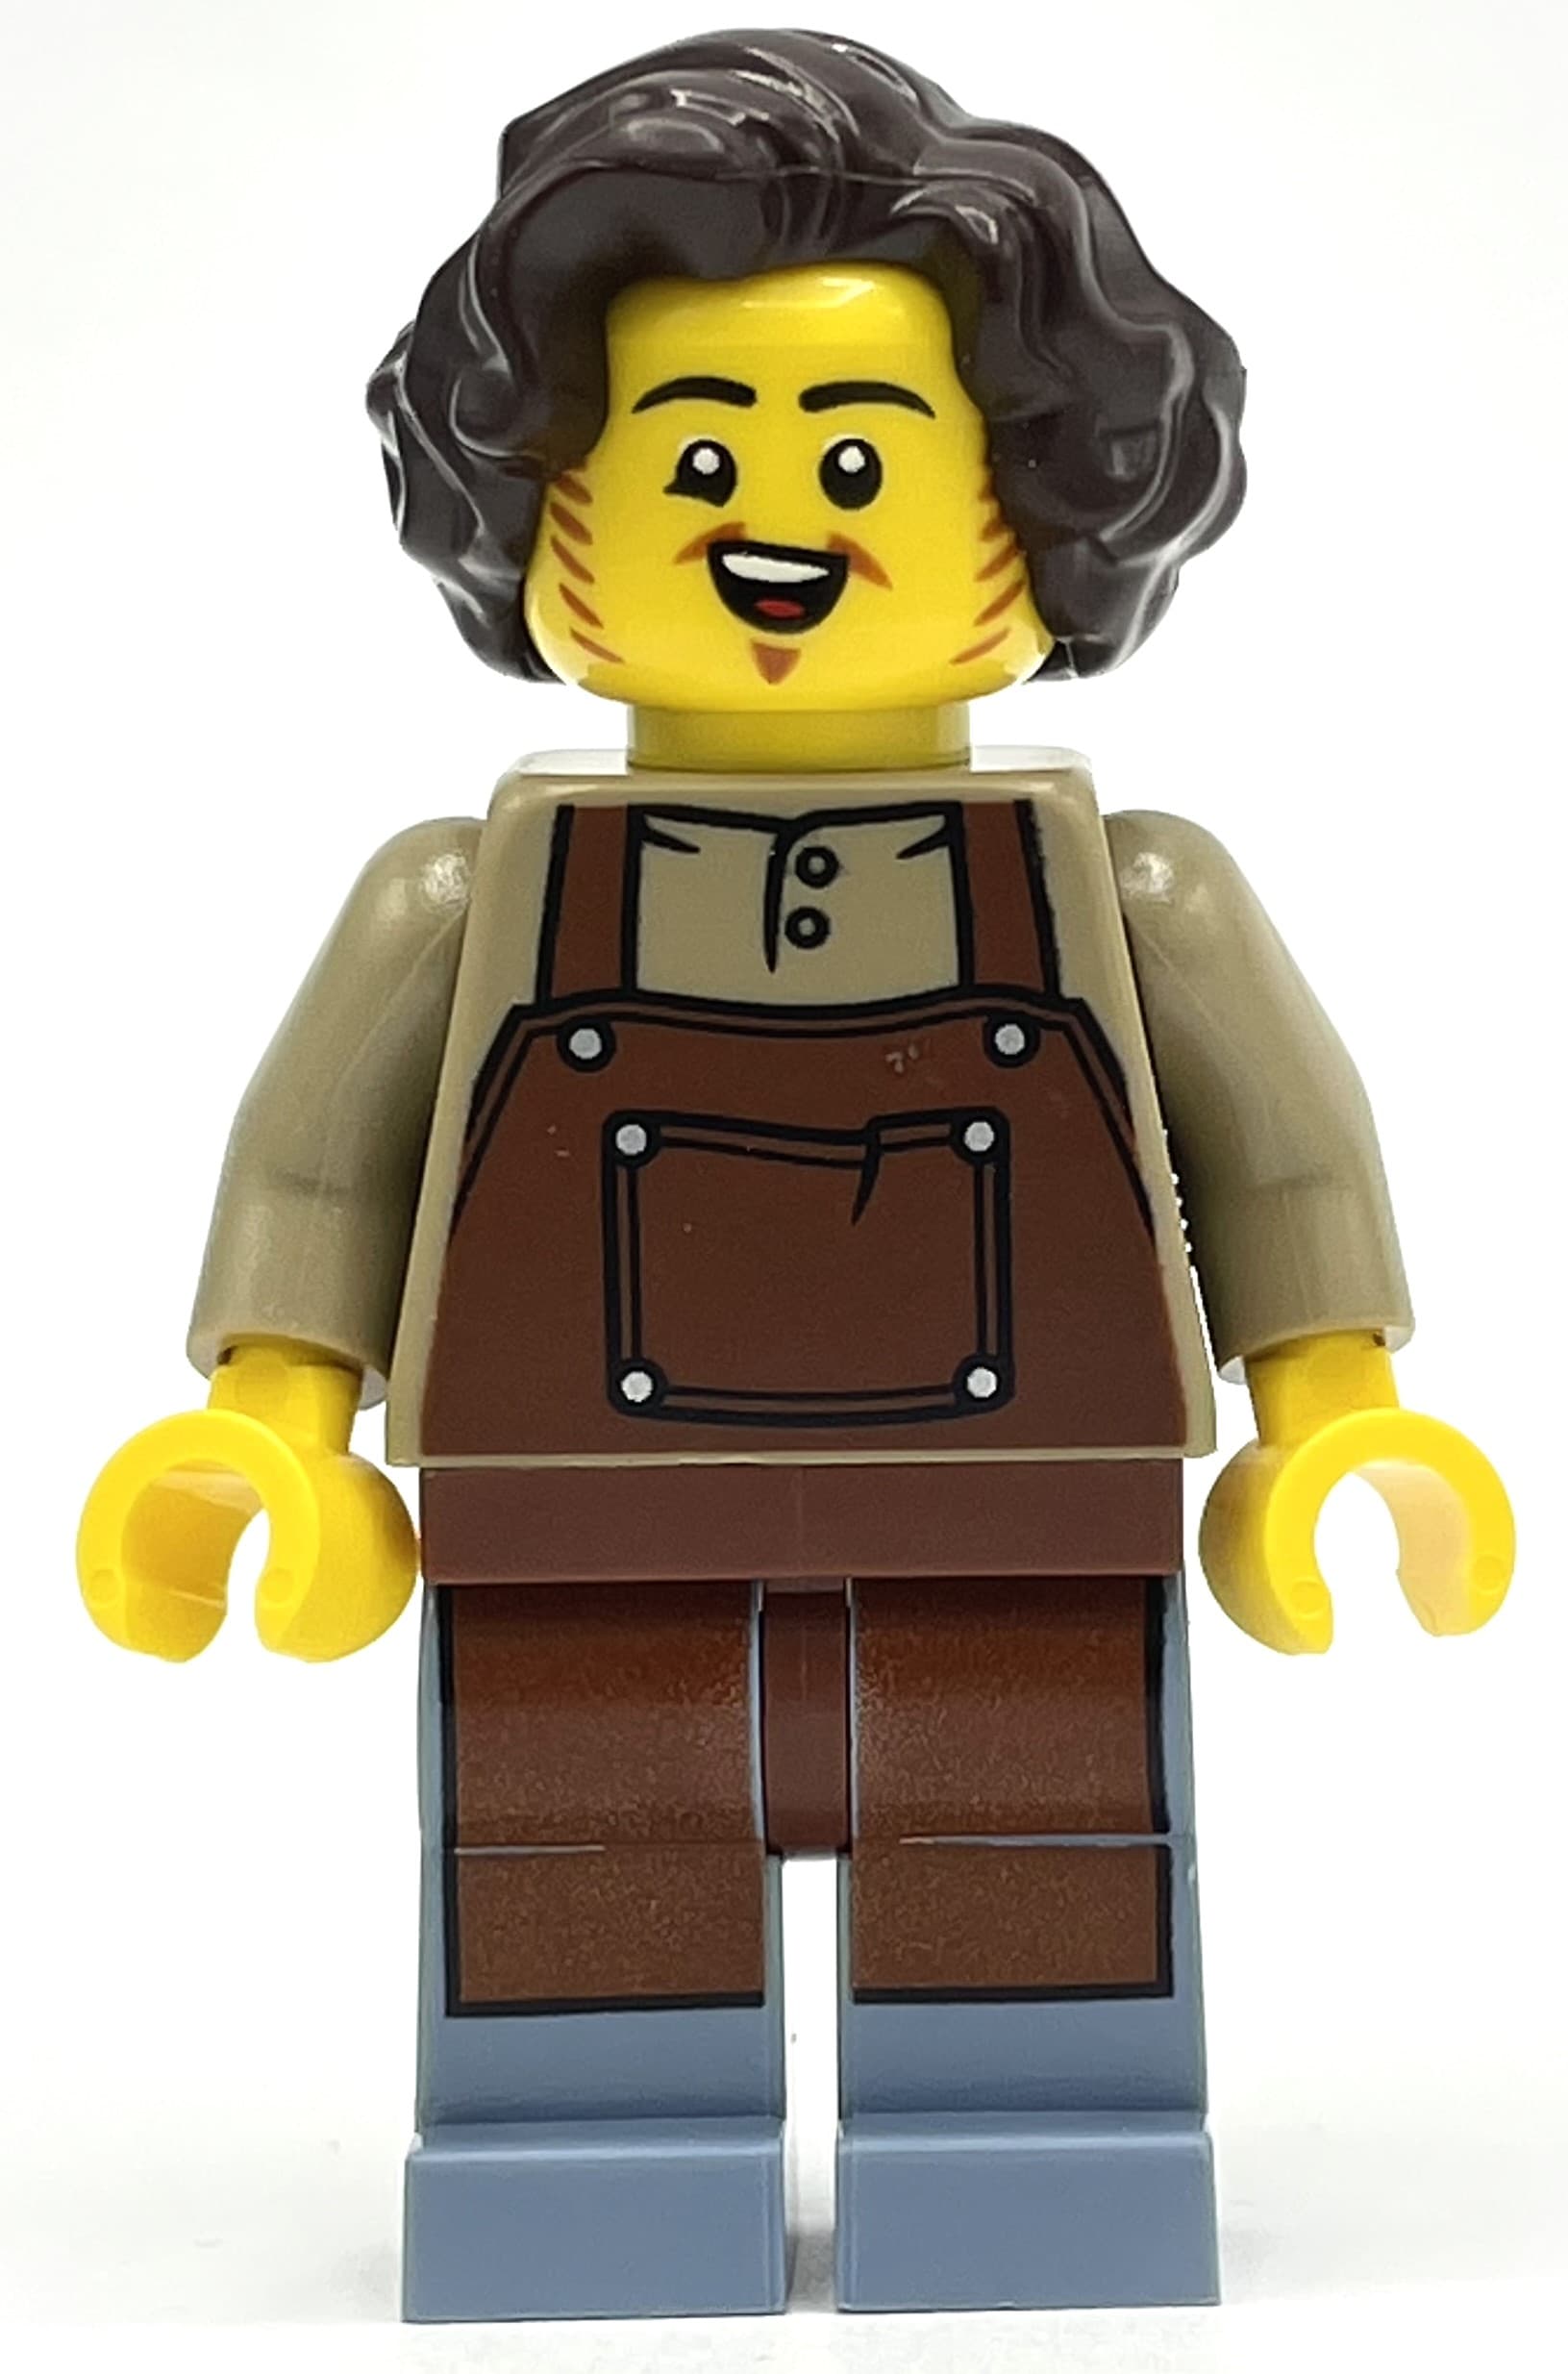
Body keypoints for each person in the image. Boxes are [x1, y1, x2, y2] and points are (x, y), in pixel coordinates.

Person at [78, 28, 1513, 2322]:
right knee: (580, 1873)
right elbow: (324, 1175)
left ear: (1039, 507)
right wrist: (271, 1421)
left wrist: (1332, 1411)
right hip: (577, 1525)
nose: (777, 528)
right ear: (538, 500)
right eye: (689, 453)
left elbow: (1278, 1158)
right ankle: (588, 2156)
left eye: (862, 455)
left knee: (1036, 1865)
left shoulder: (1124, 894)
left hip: (1025, 1520)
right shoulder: (471, 901)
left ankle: (1035, 2148)